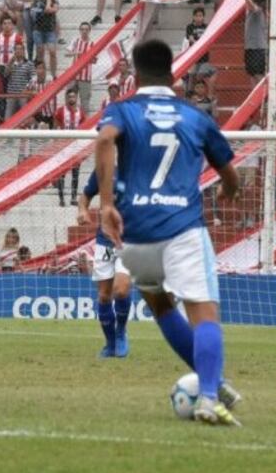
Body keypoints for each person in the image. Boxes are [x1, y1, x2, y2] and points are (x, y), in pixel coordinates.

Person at [95, 38, 243, 426]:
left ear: (135, 73)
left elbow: (105, 139)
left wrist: (106, 202)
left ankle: (214, 380)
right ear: (174, 72)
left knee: (161, 304)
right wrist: (228, 191)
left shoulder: (122, 109)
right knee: (204, 313)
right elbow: (230, 174)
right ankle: (209, 396)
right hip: (182, 227)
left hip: (136, 232)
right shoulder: (195, 116)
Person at [78, 168, 133, 357]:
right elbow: (85, 196)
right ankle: (110, 344)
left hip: (130, 240)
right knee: (103, 296)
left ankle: (120, 333)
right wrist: (83, 210)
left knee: (121, 289)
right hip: (104, 241)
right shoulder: (104, 170)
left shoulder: (141, 167)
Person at [54, 87, 84, 205]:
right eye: (69, 96)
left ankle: (73, 198)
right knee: (62, 173)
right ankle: (61, 199)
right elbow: (56, 125)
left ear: (76, 98)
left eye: (73, 96)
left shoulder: (80, 112)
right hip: (63, 146)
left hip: (75, 147)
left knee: (75, 173)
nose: (71, 98)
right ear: (66, 98)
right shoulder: (61, 111)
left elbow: (84, 126)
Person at [29, 0, 58, 79]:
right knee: (40, 53)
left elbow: (51, 10)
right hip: (38, 30)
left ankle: (54, 74)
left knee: (52, 51)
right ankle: (42, 75)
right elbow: (33, 14)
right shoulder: (35, 0)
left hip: (50, 30)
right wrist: (45, 9)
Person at [65, 22, 96, 113]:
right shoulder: (76, 41)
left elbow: (95, 60)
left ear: (89, 31)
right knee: (69, 99)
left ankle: (84, 125)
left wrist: (86, 57)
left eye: (86, 29)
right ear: (79, 30)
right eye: (82, 29)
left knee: (84, 102)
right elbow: (66, 53)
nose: (84, 31)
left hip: (85, 78)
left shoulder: (92, 44)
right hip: (73, 76)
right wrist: (76, 53)